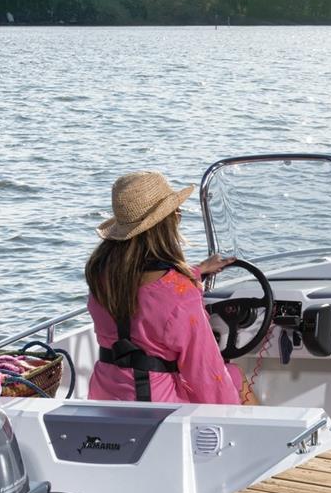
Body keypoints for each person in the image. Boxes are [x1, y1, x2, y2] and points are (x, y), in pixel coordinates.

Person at [85, 171, 250, 404]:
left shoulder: (102, 278)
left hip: (104, 395)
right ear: (170, 220)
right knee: (233, 376)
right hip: (155, 408)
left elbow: (145, 295)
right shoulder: (180, 296)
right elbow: (206, 374)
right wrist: (232, 417)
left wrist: (197, 271)